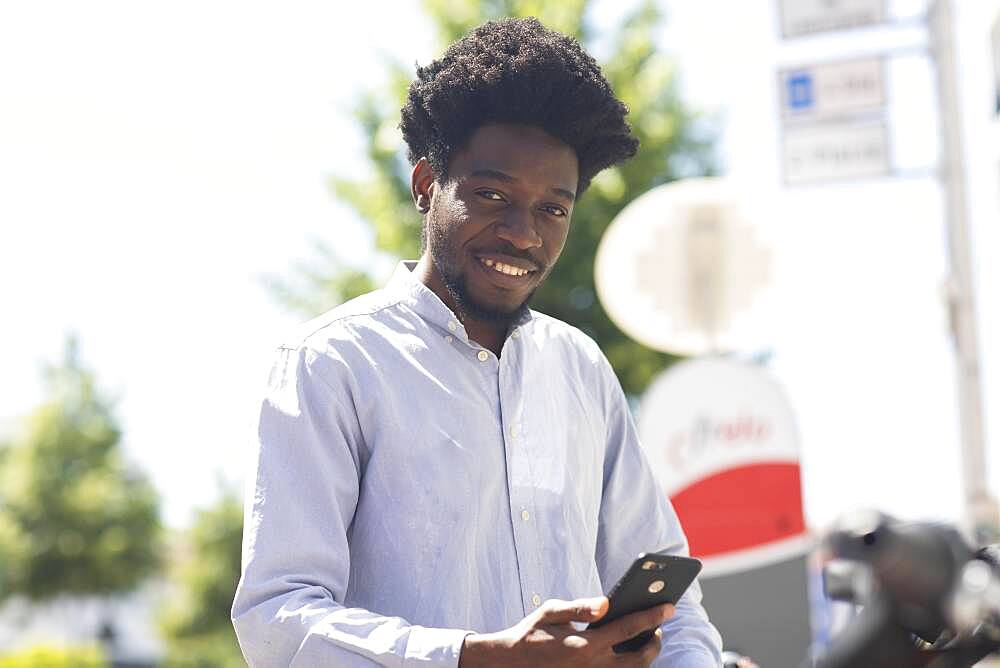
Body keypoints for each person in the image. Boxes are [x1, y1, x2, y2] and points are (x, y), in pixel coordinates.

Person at [232, 17, 723, 667]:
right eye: (493, 195)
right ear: (426, 186)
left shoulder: (580, 370)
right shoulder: (332, 364)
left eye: (554, 207)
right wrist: (480, 657)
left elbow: (676, 614)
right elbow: (277, 618)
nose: (524, 234)